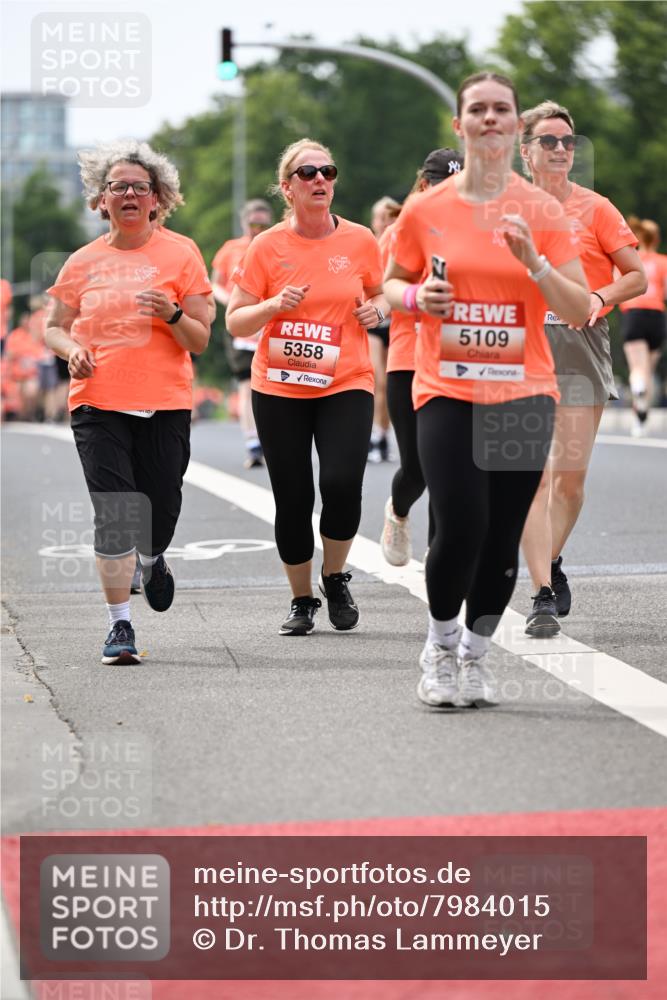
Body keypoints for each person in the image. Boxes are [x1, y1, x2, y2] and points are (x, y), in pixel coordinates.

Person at [384, 71, 590, 708]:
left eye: (503, 108)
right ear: (461, 124)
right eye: (479, 109)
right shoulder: (428, 209)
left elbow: (578, 307)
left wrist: (537, 264)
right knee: (461, 523)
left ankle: (475, 654)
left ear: (515, 124)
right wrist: (416, 298)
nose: (491, 117)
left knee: (502, 537)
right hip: (446, 386)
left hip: (524, 390)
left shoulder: (542, 210)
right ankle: (440, 647)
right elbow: (391, 283)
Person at [45, 140, 211, 664]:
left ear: (158, 198)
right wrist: (72, 351)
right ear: (101, 199)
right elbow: (54, 327)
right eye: (119, 187)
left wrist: (173, 314)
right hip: (97, 403)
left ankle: (154, 558)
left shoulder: (181, 254)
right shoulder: (82, 262)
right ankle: (120, 625)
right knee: (116, 513)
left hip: (165, 402)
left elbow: (200, 339)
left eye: (141, 187)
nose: (130, 194)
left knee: (158, 512)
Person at [226, 138, 386, 636]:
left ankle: (334, 576)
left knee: (341, 483)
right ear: (287, 187)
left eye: (327, 172)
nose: (319, 179)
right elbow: (234, 320)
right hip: (280, 388)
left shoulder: (360, 240)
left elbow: (382, 293)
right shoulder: (266, 246)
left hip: (346, 380)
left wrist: (377, 311)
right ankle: (301, 600)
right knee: (293, 496)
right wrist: (273, 305)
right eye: (308, 173)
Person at [518, 101, 645, 636]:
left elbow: (636, 276)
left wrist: (598, 296)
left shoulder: (596, 208)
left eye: (567, 141)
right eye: (548, 141)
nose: (560, 149)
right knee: (535, 478)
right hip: (519, 348)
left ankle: (551, 561)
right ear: (525, 151)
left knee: (568, 483)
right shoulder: (506, 208)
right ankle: (541, 592)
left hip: (578, 344)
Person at [381, 148, 464, 566]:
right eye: (442, 185)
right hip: (408, 359)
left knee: (448, 467)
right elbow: (380, 288)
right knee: (416, 468)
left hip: (455, 359)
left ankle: (440, 557)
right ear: (424, 184)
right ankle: (397, 511)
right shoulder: (401, 230)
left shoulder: (475, 229)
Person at [211, 199, 274, 468]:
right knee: (247, 382)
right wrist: (231, 302)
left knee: (274, 383)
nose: (257, 229)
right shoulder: (231, 249)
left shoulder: (276, 245)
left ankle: (273, 438)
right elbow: (215, 283)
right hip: (242, 323)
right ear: (243, 223)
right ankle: (252, 442)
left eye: (263, 225)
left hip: (271, 320)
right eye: (253, 224)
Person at [620, 216, 667, 435]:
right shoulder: (663, 262)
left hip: (634, 313)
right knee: (649, 367)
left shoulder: (630, 260)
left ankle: (637, 391)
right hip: (656, 315)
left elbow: (618, 285)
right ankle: (641, 418)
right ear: (656, 239)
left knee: (637, 368)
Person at [367, 196, 401, 463]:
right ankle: (373, 434)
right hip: (373, 323)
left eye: (391, 218)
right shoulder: (369, 247)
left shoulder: (401, 246)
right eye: (382, 218)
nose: (387, 223)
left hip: (395, 322)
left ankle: (383, 434)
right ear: (374, 221)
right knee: (376, 380)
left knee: (388, 385)